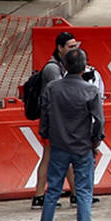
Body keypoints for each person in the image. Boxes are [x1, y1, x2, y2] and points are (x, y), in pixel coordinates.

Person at [37, 48, 102, 221]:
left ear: (64, 66)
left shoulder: (53, 88)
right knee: (83, 192)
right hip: (82, 147)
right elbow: (99, 120)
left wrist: (46, 133)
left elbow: (44, 115)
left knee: (52, 192)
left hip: (58, 146)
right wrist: (95, 141)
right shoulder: (91, 91)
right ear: (84, 67)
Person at [31, 32, 84, 209]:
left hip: (58, 119)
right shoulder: (53, 69)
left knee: (63, 156)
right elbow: (62, 92)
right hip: (53, 121)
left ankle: (76, 194)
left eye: (75, 46)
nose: (74, 50)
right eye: (70, 46)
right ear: (60, 48)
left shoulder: (63, 65)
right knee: (48, 157)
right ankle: (39, 196)